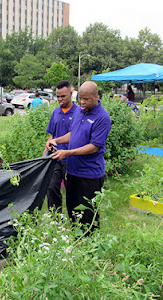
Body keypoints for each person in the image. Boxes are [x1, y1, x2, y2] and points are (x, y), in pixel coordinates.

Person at [46, 81, 111, 232]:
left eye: (86, 99)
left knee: (88, 214)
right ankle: (78, 241)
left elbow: (94, 147)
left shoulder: (102, 117)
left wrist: (67, 152)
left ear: (96, 96)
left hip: (89, 174)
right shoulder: (79, 111)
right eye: (79, 98)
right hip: (73, 171)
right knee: (73, 210)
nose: (82, 102)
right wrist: (56, 140)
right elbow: (73, 134)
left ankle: (91, 246)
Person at [43, 80, 78, 211]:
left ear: (71, 93)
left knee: (72, 191)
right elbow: (52, 135)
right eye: (57, 96)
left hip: (72, 159)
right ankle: (55, 217)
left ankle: (74, 217)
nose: (60, 99)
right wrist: (44, 155)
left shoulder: (78, 112)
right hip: (55, 158)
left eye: (63, 96)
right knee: (51, 187)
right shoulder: (55, 113)